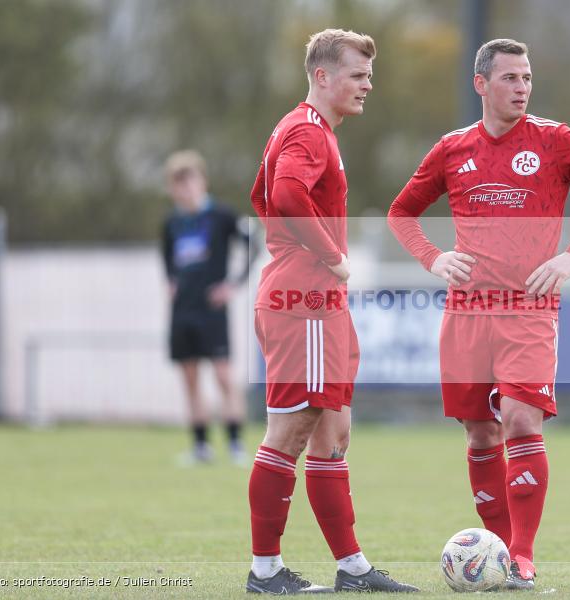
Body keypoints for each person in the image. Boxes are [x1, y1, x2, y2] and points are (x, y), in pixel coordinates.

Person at [388, 39, 570, 590]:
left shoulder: (557, 142)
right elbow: (401, 212)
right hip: (467, 312)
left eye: (526, 78)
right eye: (510, 78)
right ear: (481, 84)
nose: (522, 88)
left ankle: (522, 558)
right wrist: (434, 257)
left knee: (521, 422)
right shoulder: (453, 149)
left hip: (528, 308)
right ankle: (496, 553)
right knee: (481, 436)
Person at [245, 29, 417, 594]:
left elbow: (264, 195)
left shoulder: (309, 130)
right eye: (357, 75)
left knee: (333, 433)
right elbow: (288, 196)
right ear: (322, 76)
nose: (368, 85)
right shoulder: (307, 130)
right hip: (306, 301)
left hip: (320, 302)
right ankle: (265, 572)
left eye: (369, 75)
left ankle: (352, 569)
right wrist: (332, 257)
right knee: (291, 432)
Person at [161, 150, 251, 465]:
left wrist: (233, 285)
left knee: (224, 377)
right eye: (178, 184)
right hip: (182, 312)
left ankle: (236, 444)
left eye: (190, 182)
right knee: (190, 380)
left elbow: (253, 244)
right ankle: (201, 447)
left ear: (202, 182)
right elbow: (168, 261)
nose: (185, 189)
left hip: (212, 311)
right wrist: (171, 282)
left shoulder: (222, 216)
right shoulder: (171, 223)